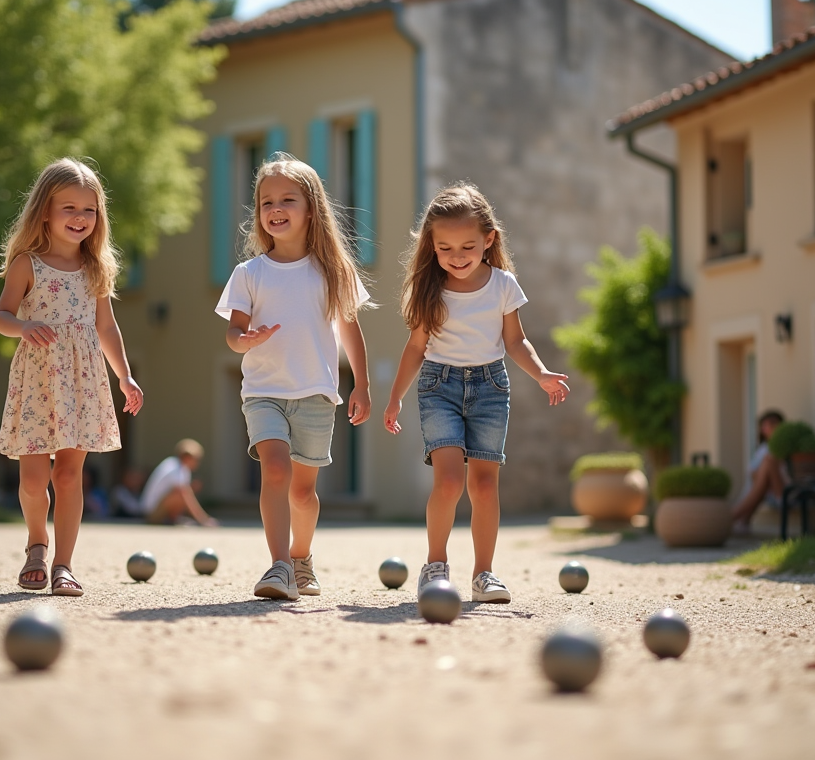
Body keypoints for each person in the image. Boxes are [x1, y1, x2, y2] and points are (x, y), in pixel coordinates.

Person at [383, 183, 569, 604]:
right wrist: (395, 397)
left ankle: (484, 574)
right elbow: (415, 349)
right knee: (449, 481)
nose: (457, 256)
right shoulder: (430, 289)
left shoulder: (503, 284)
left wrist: (540, 374)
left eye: (468, 246)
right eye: (445, 248)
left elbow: (516, 341)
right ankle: (435, 566)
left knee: (484, 487)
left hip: (490, 388)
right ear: (431, 245)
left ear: (489, 239)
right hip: (438, 387)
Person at [215, 152, 373, 600]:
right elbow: (233, 330)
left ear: (312, 209)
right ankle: (279, 565)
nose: (275, 209)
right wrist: (242, 340)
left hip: (316, 394)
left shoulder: (333, 272)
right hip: (263, 391)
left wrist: (361, 384)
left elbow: (350, 328)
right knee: (276, 470)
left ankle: (302, 557)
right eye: (266, 202)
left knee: (303, 493)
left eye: (288, 199)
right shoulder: (249, 273)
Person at [0, 157, 143, 597]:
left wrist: (125, 377)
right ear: (44, 212)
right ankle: (36, 542)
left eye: (89, 210)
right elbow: (1, 316)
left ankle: (63, 564)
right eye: (69, 209)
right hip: (39, 379)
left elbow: (107, 327)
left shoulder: (96, 268)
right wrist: (22, 326)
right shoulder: (27, 264)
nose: (80, 218)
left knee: (70, 476)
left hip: (81, 380)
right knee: (33, 480)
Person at [731, 410, 789, 534]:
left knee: (768, 462)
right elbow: (752, 473)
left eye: (773, 424)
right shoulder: (762, 449)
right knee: (765, 470)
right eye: (765, 425)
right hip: (763, 491)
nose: (768, 428)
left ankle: (733, 518)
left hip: (781, 491)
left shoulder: (784, 447)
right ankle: (740, 519)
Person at [141, 439, 218, 526]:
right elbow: (184, 494)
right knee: (181, 493)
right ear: (187, 457)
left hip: (157, 511)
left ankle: (175, 519)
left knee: (186, 491)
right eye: (196, 459)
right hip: (151, 515)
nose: (198, 463)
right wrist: (203, 519)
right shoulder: (174, 468)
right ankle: (179, 520)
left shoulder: (180, 468)